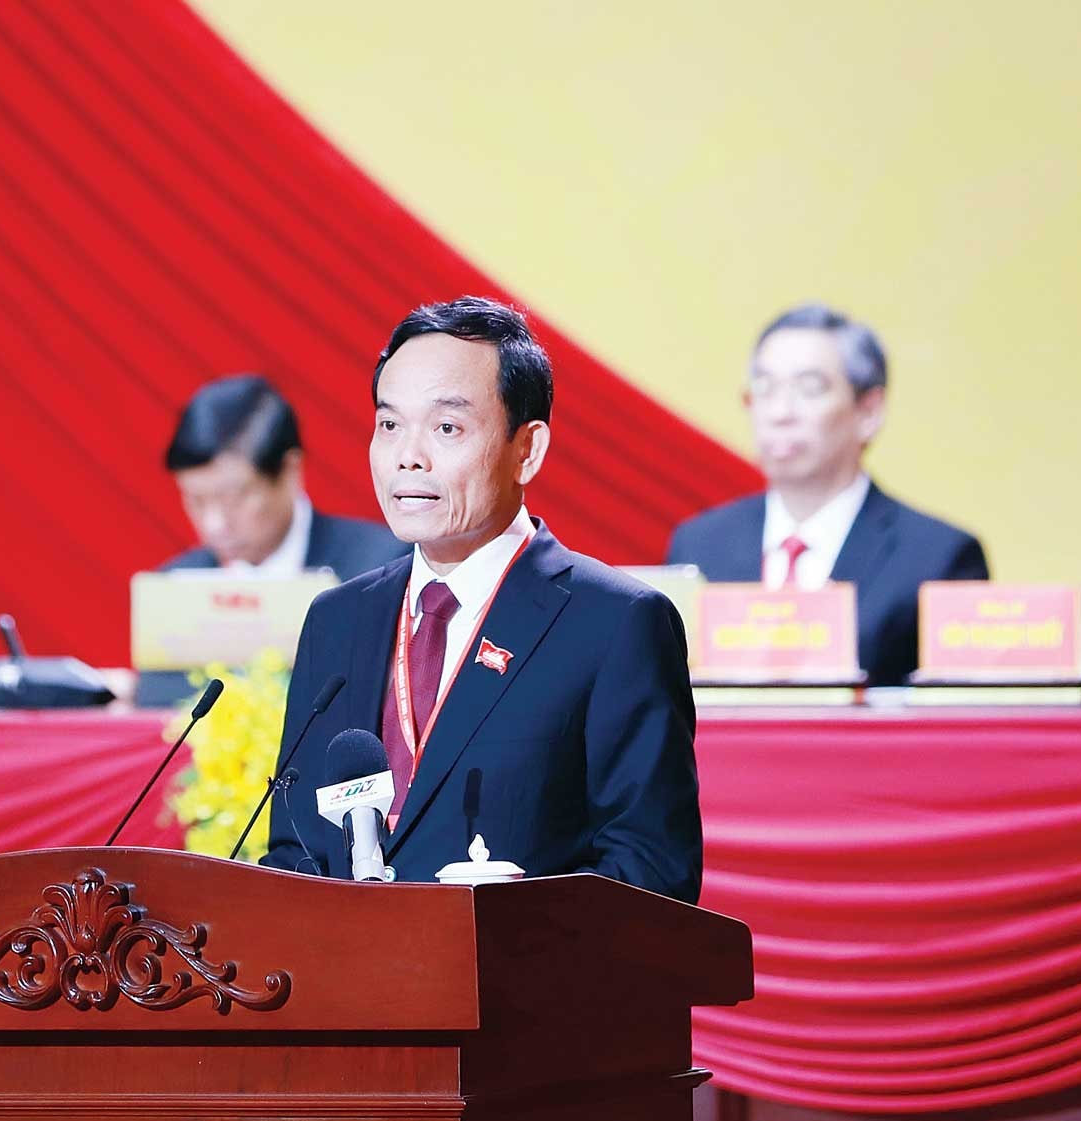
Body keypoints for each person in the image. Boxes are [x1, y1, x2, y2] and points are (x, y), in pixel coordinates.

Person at [262, 298, 701, 902]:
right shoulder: (337, 621)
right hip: (346, 966)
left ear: (528, 450)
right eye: (389, 425)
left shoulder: (615, 623)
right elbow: (294, 855)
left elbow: (651, 878)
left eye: (446, 428)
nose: (408, 456)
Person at [665, 304, 988, 685]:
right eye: (764, 389)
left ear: (868, 412)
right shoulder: (700, 546)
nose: (780, 413)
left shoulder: (939, 559)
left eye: (809, 389)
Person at [160, 374, 406, 580]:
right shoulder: (175, 586)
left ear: (290, 471)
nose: (215, 524)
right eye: (196, 500)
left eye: (234, 499)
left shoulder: (381, 569)